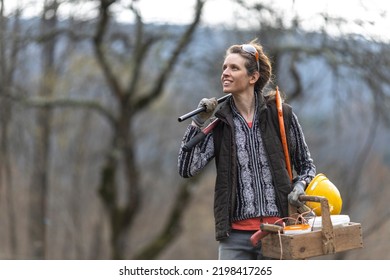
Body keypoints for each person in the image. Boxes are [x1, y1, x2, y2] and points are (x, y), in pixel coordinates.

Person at [177, 39, 316, 260]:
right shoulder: (220, 123)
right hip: (234, 238)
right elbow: (187, 168)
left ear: (253, 77)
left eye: (234, 68)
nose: (225, 72)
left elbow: (307, 166)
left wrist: (300, 186)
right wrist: (198, 123)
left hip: (280, 231)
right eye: (224, 67)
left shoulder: (281, 115)